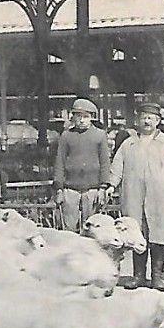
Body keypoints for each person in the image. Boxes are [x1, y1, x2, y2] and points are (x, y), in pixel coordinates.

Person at [103, 102, 164, 292]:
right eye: (143, 117)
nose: (147, 121)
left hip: (161, 197)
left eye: (151, 118)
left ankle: (157, 276)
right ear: (138, 120)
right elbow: (117, 166)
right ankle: (138, 276)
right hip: (134, 196)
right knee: (137, 234)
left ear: (158, 121)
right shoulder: (129, 143)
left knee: (158, 235)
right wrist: (111, 185)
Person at [53, 98, 111, 232]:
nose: (82, 120)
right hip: (70, 189)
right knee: (69, 228)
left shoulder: (99, 135)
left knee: (92, 228)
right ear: (73, 117)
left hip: (92, 189)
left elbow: (104, 163)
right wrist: (59, 188)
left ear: (91, 118)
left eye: (86, 116)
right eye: (78, 116)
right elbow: (60, 162)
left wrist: (103, 188)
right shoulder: (66, 136)